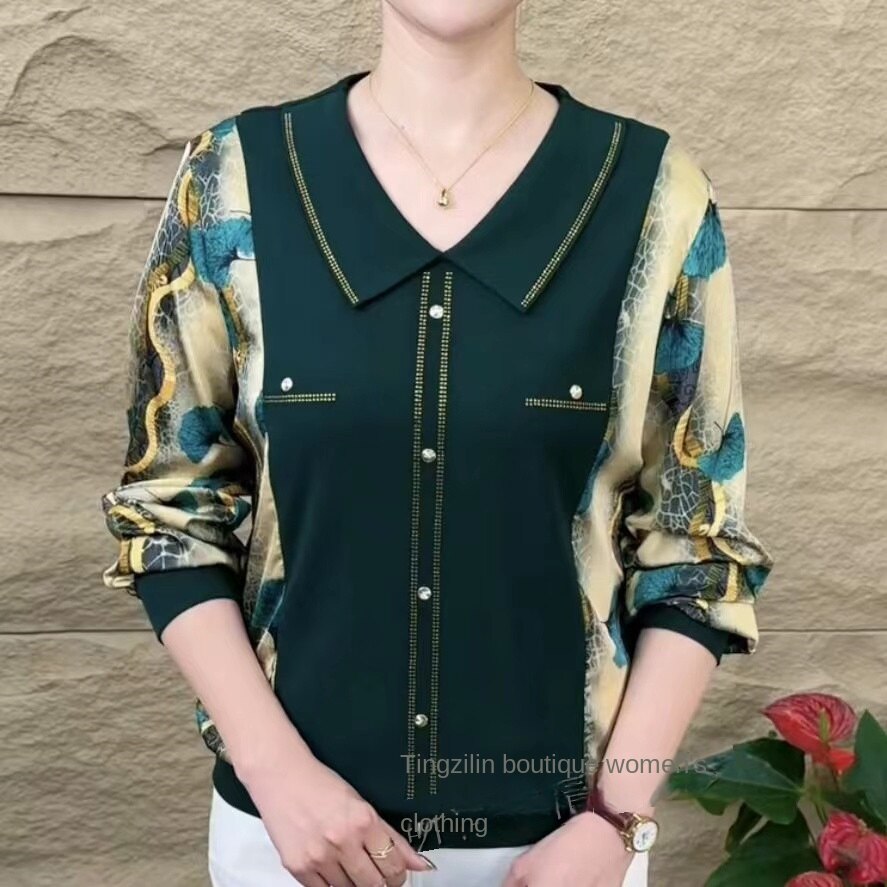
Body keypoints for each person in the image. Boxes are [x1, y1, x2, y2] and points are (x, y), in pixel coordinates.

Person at [100, 2, 775, 885]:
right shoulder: (233, 181)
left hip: (565, 850)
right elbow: (169, 512)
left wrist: (619, 816)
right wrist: (277, 775)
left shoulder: (656, 197)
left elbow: (695, 545)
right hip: (294, 838)